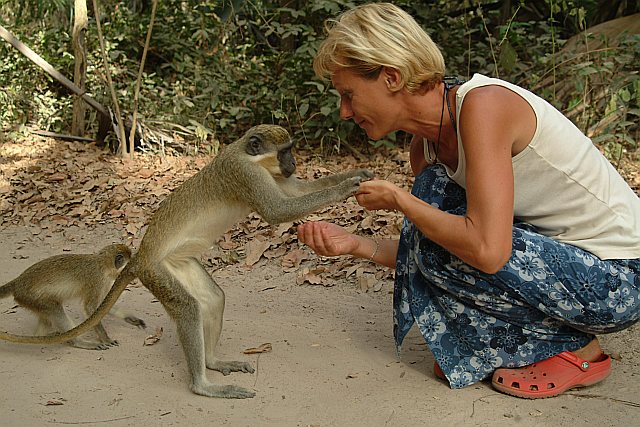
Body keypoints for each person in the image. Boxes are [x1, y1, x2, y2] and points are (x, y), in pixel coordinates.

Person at [297, 2, 640, 398]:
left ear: (391, 77)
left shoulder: (483, 107)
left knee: (442, 223)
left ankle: (575, 349)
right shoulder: (424, 150)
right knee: (436, 225)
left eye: (349, 95)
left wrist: (401, 201)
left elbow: (487, 251)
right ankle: (518, 344)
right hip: (562, 266)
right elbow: (437, 247)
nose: (343, 111)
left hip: (619, 279)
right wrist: (357, 245)